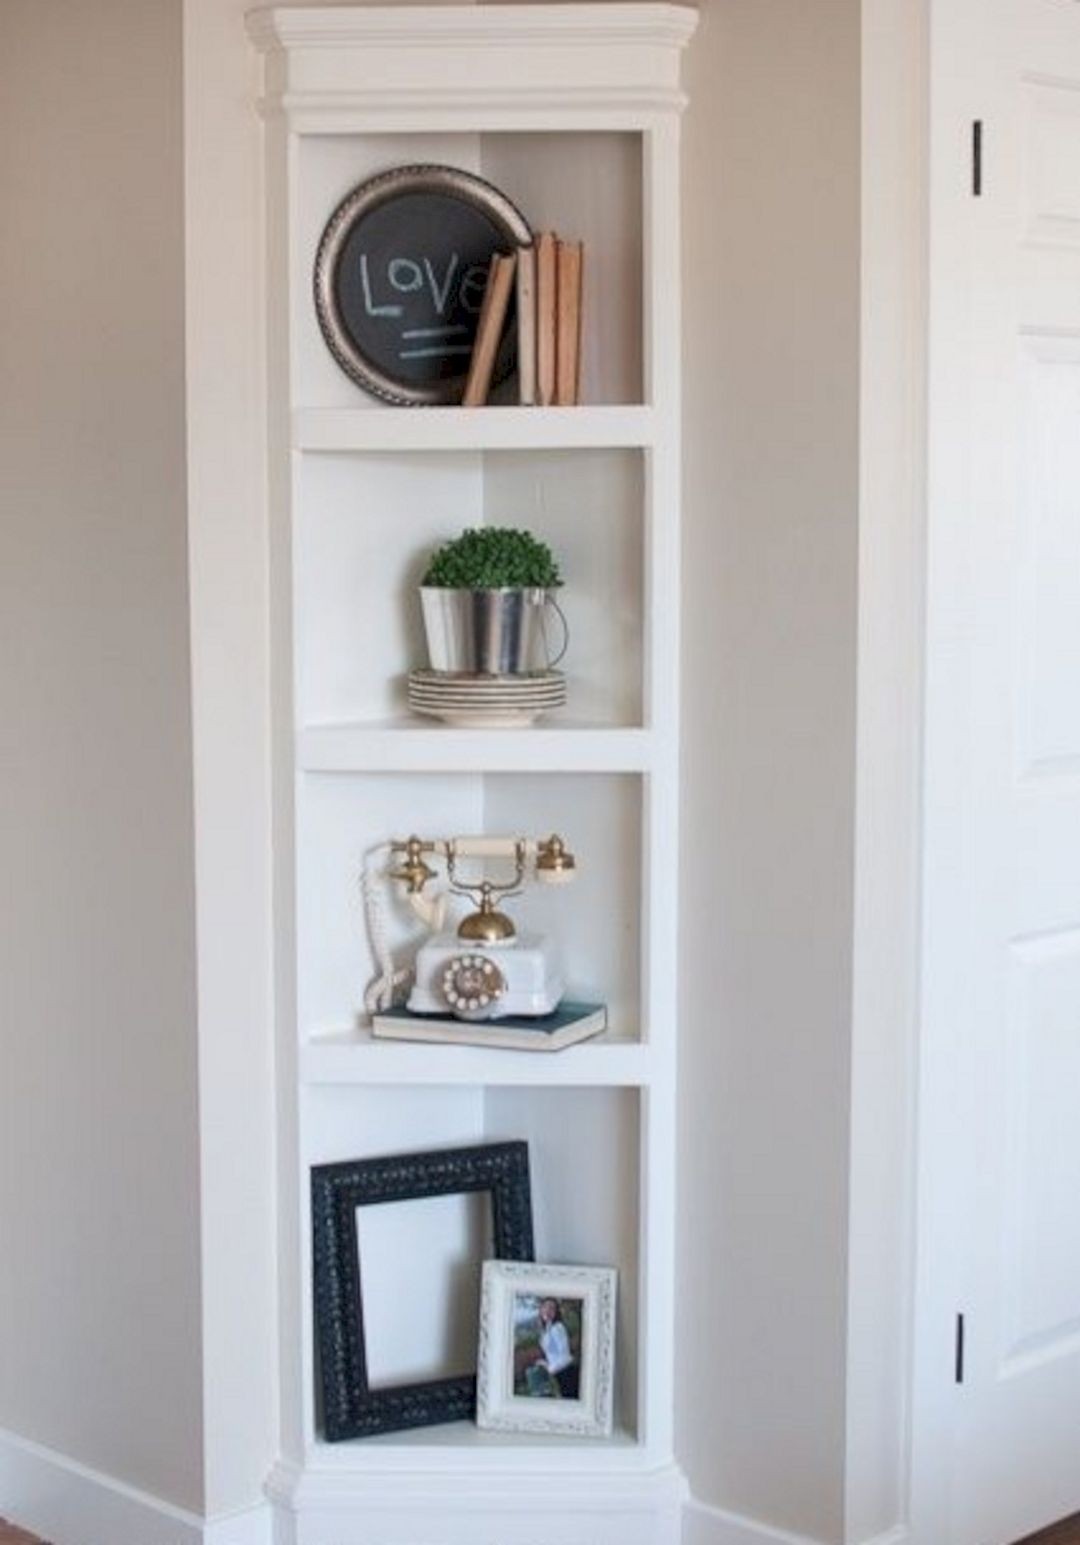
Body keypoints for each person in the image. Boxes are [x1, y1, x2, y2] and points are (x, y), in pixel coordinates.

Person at [526, 1298, 580, 1399]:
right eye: (545, 1307)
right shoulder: (547, 1329)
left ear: (556, 1313)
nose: (548, 1310)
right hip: (560, 1375)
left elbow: (564, 1356)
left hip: (567, 1373)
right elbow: (553, 1355)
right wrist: (544, 1362)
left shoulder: (558, 1327)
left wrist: (547, 1366)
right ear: (541, 1310)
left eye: (552, 1308)